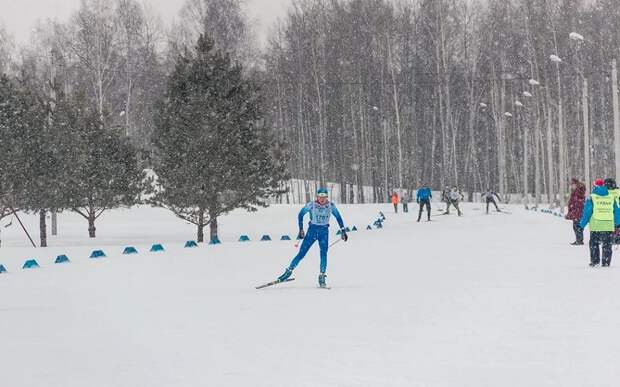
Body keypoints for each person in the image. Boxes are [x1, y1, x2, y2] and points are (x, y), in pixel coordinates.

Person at [277, 188, 348, 287]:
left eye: (324, 197)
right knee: (301, 254)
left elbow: (338, 218)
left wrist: (343, 231)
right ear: (317, 197)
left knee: (323, 253)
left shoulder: (331, 206)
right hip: (312, 231)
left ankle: (322, 275)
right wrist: (301, 229)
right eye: (320, 197)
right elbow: (300, 214)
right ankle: (288, 272)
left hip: (324, 232)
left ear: (326, 197)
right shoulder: (311, 205)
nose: (322, 199)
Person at [578, 179, 620, 267]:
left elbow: (587, 213)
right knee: (607, 245)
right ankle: (606, 262)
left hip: (596, 225)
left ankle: (595, 261)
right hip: (608, 225)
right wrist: (617, 223)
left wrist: (581, 225)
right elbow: (616, 211)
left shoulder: (592, 197)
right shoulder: (611, 198)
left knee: (594, 244)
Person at [566, 178, 586, 245]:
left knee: (577, 227)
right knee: (576, 227)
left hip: (578, 212)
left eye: (572, 184)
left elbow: (578, 203)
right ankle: (578, 240)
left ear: (575, 184)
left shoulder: (578, 192)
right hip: (576, 212)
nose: (571, 186)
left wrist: (574, 210)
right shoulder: (575, 192)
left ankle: (579, 240)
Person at [605, 178, 620, 244]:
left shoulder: (604, 194)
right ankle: (617, 238)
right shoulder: (618, 192)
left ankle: (611, 238)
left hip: (607, 214)